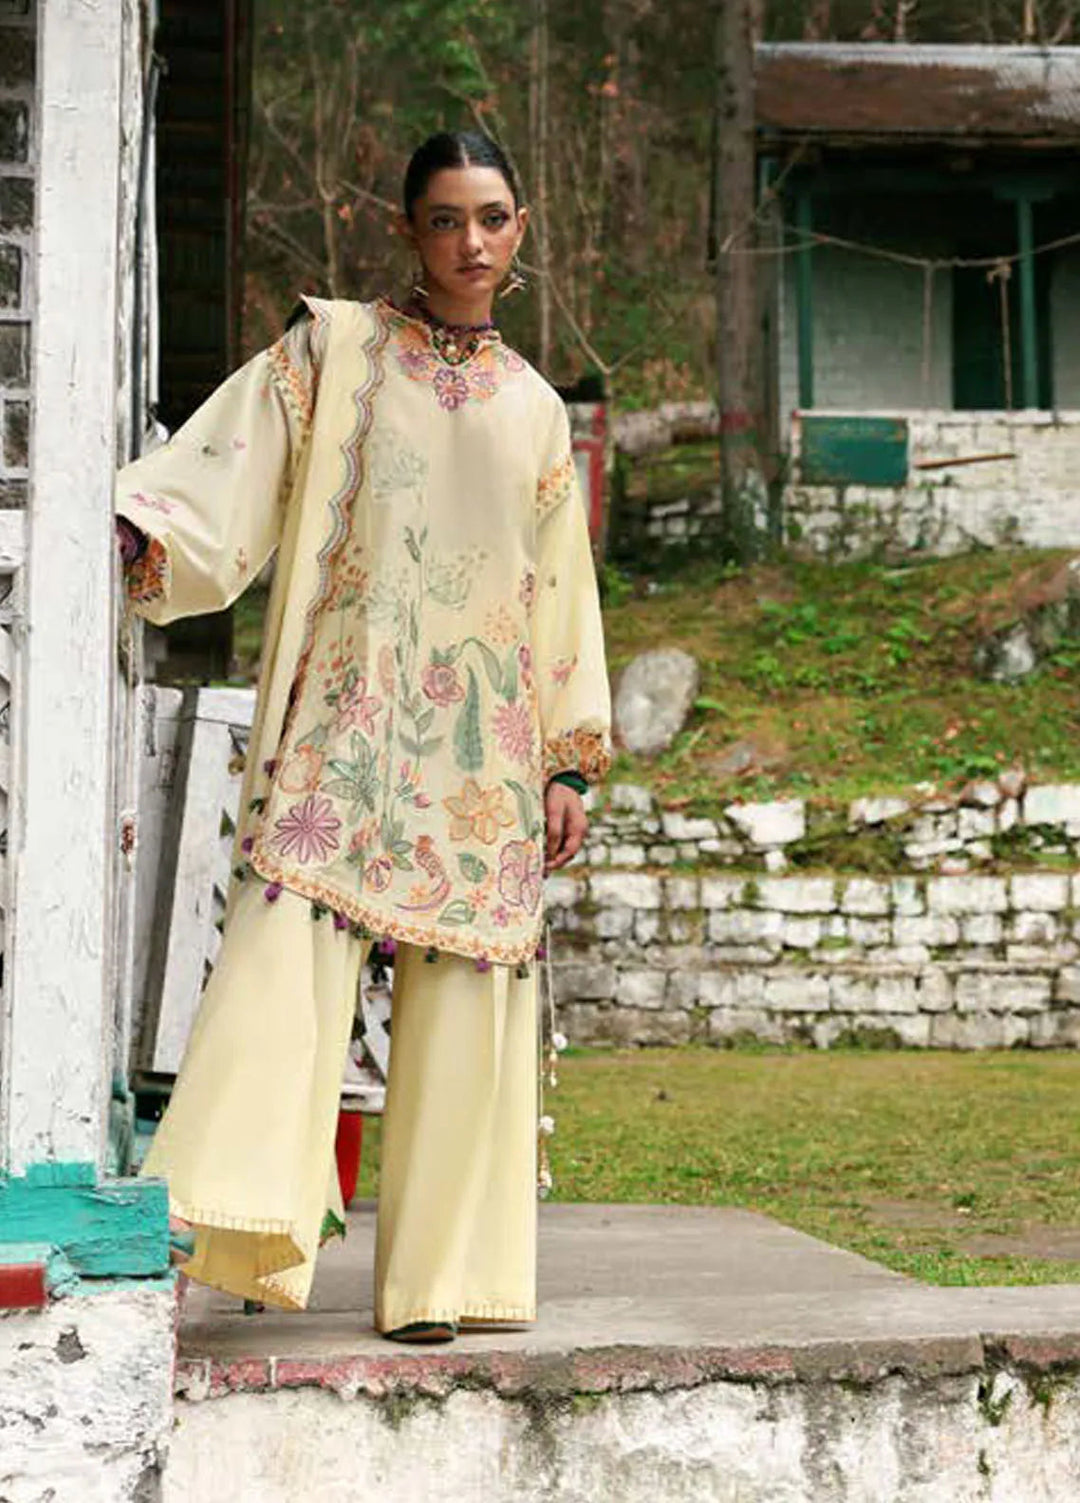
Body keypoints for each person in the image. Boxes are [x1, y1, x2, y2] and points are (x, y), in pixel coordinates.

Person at [115, 130, 611, 1342]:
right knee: (280, 962)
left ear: (521, 228)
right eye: (445, 219)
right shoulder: (337, 352)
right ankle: (227, 1221)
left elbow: (561, 588)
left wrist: (565, 756)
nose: (470, 243)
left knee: (467, 995)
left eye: (491, 218)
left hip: (486, 742)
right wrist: (148, 527)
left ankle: (442, 1285)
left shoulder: (538, 409)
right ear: (408, 230)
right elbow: (232, 464)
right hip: (349, 718)